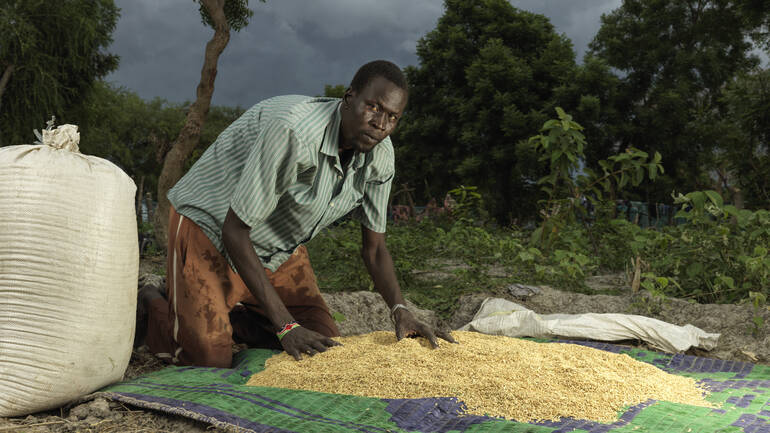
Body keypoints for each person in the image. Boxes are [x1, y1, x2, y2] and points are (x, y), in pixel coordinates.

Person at [140, 60, 455, 368]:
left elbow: (374, 249)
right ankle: (155, 301)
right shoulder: (294, 132)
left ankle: (234, 315)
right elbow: (234, 231)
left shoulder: (381, 156)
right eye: (374, 107)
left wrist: (401, 309)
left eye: (392, 117)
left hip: (277, 245)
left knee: (324, 347)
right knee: (209, 357)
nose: (380, 124)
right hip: (210, 228)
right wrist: (286, 326)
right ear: (349, 98)